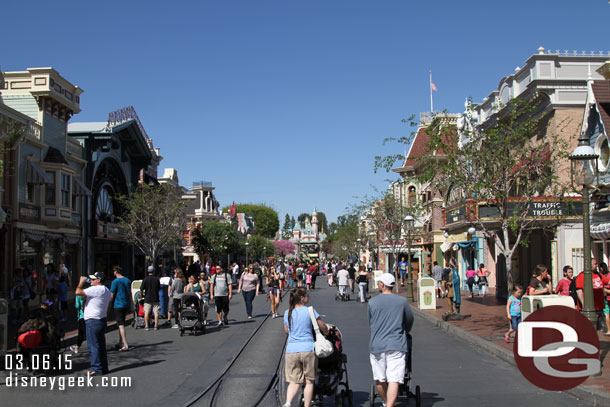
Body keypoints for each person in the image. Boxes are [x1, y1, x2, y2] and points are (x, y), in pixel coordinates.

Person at [368, 273, 414, 407]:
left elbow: (371, 322)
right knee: (394, 379)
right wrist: (405, 329)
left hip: (377, 344)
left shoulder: (372, 302)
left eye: (379, 283)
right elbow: (409, 320)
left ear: (382, 284)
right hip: (396, 344)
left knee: (380, 379)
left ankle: (387, 402)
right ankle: (389, 405)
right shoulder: (402, 302)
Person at [282, 288, 330, 407]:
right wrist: (327, 331)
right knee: (309, 381)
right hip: (307, 349)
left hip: (291, 351)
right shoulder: (310, 310)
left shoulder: (287, 312)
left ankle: (288, 403)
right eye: (307, 295)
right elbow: (322, 326)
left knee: (294, 382)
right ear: (302, 298)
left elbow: (287, 330)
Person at [76, 272, 111, 376]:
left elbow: (78, 291)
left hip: (92, 320)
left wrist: (81, 282)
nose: (90, 281)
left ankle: (96, 368)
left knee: (93, 346)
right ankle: (103, 367)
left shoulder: (95, 289)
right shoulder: (106, 290)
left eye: (93, 279)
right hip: (101, 319)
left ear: (98, 280)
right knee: (101, 345)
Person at [575, 258, 610, 332]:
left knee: (602, 331)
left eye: (597, 264)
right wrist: (585, 305)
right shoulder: (581, 276)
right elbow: (579, 291)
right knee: (589, 332)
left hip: (600, 308)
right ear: (589, 265)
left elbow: (608, 281)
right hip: (588, 310)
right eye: (595, 264)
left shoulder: (598, 274)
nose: (597, 265)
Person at [110, 266, 131, 351]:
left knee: (121, 324)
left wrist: (108, 304)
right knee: (121, 323)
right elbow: (130, 293)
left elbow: (111, 294)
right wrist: (131, 304)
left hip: (118, 304)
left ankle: (125, 344)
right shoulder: (127, 280)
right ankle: (120, 342)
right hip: (126, 304)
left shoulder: (115, 281)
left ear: (115, 272)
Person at [141, 266, 161, 331]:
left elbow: (141, 289)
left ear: (148, 271)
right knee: (156, 312)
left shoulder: (145, 279)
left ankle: (146, 326)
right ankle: (156, 325)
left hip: (147, 298)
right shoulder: (156, 279)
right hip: (155, 297)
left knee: (146, 312)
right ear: (153, 271)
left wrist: (142, 295)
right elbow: (159, 288)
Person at [70, 285, 86, 354]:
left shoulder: (79, 295)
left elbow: (77, 305)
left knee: (81, 333)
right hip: (90, 316)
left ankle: (77, 347)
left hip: (81, 316)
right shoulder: (89, 293)